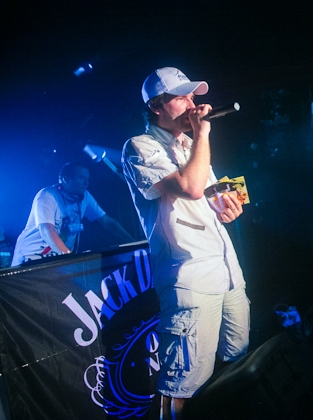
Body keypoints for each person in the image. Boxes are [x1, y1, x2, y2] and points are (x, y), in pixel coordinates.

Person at [122, 67, 250, 419]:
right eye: (182, 98)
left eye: (193, 96)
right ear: (156, 106)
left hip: (227, 271)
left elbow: (211, 195)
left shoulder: (192, 146)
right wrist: (203, 132)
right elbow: (190, 187)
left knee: (236, 359)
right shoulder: (140, 146)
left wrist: (230, 206)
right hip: (190, 278)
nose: (193, 104)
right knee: (181, 383)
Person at [11, 162, 134, 266]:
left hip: (59, 257)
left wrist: (133, 242)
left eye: (87, 179)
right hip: (31, 256)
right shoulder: (47, 195)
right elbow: (47, 231)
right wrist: (70, 258)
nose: (86, 183)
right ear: (66, 179)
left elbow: (107, 222)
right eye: (81, 178)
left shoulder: (85, 196)